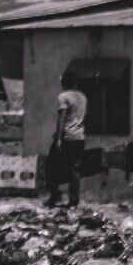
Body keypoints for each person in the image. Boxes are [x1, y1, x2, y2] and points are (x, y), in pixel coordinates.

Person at [45, 76, 88, 209]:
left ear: (64, 84)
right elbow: (84, 117)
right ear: (75, 83)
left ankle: (54, 197)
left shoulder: (63, 97)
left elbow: (62, 118)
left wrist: (58, 139)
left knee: (53, 165)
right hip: (80, 137)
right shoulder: (82, 97)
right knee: (75, 168)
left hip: (67, 137)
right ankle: (74, 201)